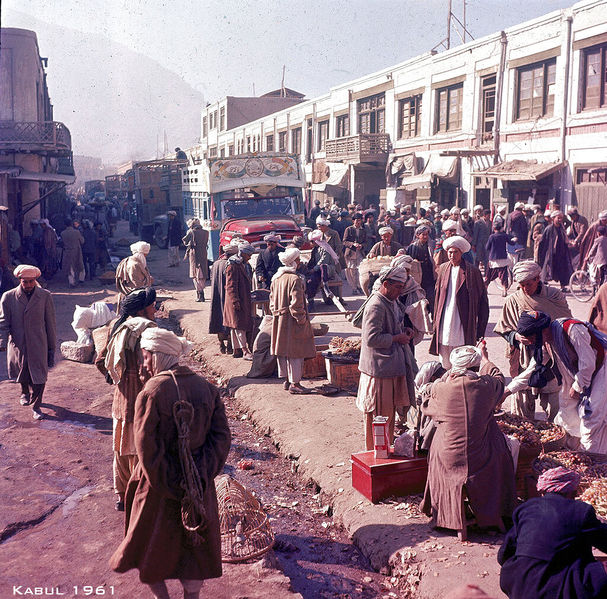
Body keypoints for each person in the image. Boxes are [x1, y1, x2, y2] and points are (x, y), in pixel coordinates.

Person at [109, 327, 231, 599]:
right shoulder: (207, 389)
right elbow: (221, 438)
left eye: (145, 357)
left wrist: (172, 484)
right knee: (194, 547)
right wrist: (198, 474)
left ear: (157, 356)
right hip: (198, 485)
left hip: (157, 490)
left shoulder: (152, 392)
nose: (143, 364)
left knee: (150, 548)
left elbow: (147, 450)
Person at [421, 345, 516, 537]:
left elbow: (426, 403)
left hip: (448, 459)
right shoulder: (487, 386)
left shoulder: (440, 388)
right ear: (476, 367)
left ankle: (445, 512)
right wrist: (487, 358)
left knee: (439, 438)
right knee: (500, 444)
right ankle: (495, 511)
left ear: (453, 368)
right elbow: (499, 377)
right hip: (482, 459)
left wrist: (445, 378)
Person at [498, 466, 607, 599]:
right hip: (552, 590)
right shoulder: (581, 511)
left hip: (516, 584)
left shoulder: (525, 508)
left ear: (543, 491)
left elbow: (503, 555)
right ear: (571, 492)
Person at [96, 287, 157, 511]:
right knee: (139, 448)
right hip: (140, 397)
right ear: (142, 309)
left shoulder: (118, 327)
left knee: (121, 449)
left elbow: (100, 361)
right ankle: (137, 495)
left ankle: (121, 495)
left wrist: (117, 377)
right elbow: (151, 368)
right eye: (152, 305)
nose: (155, 308)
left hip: (120, 400)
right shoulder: (146, 330)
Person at [517, 311, 607, 454]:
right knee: (567, 414)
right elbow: (532, 370)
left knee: (591, 417)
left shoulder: (573, 330)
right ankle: (576, 450)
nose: (533, 343)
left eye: (533, 338)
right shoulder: (547, 342)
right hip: (580, 375)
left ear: (542, 330)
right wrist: (508, 391)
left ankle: (590, 458)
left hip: (601, 370)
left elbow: (588, 364)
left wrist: (577, 387)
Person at [494, 261, 571, 420]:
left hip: (551, 354)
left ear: (538, 278)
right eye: (521, 285)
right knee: (522, 406)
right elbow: (504, 328)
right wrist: (515, 336)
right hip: (522, 356)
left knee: (555, 405)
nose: (525, 288)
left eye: (529, 284)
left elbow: (565, 323)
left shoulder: (554, 296)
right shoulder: (513, 300)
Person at [356, 265, 415, 449]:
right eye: (398, 287)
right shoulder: (376, 305)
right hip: (379, 372)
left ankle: (384, 451)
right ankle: (376, 454)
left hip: (389, 368)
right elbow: (372, 338)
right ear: (386, 283)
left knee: (388, 416)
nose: (400, 292)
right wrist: (397, 338)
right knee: (379, 417)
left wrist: (402, 330)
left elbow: (388, 327)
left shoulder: (390, 301)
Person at [0, 265, 56, 420]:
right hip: (18, 343)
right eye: (26, 282)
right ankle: (24, 391)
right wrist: (2, 341)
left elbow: (50, 323)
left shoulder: (45, 296)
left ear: (35, 280)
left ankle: (37, 406)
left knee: (39, 376)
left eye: (32, 281)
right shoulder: (8, 297)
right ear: (20, 280)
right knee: (22, 371)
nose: (29, 285)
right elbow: (3, 322)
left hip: (39, 343)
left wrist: (51, 347)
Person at [430, 236, 489, 369]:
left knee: (462, 351)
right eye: (450, 252)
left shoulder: (472, 271)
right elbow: (437, 297)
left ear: (461, 253)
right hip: (445, 317)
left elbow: (482, 301)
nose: (452, 255)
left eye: (455, 252)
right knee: (444, 349)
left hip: (462, 318)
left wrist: (481, 329)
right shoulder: (443, 269)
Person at [269, 247, 316, 394]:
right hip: (292, 321)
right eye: (298, 259)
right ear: (293, 262)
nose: (300, 261)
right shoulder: (295, 279)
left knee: (284, 351)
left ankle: (287, 380)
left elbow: (271, 302)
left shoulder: (276, 277)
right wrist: (301, 320)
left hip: (279, 319)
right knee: (296, 352)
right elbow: (296, 305)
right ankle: (295, 383)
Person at [223, 242, 255, 360]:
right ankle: (245, 350)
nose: (250, 257)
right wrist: (235, 301)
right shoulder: (233, 265)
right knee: (239, 325)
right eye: (248, 255)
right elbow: (231, 285)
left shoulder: (240, 263)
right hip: (236, 301)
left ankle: (237, 350)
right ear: (243, 253)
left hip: (239, 299)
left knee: (235, 325)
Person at [208, 244, 238, 354]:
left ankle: (221, 344)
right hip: (228, 296)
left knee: (218, 318)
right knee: (229, 318)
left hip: (217, 295)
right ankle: (230, 344)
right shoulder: (231, 264)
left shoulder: (216, 264)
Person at [538, 211, 574, 291]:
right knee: (546, 269)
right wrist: (542, 254)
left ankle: (563, 286)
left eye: (561, 218)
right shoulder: (549, 229)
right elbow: (543, 242)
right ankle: (541, 285)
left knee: (562, 269)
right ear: (553, 218)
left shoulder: (561, 228)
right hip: (551, 253)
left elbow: (564, 238)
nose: (560, 219)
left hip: (561, 252)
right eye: (558, 218)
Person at [406, 225, 436, 312]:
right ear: (417, 235)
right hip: (418, 277)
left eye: (427, 234)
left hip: (429, 275)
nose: (425, 236)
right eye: (423, 234)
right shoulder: (413, 247)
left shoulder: (431, 245)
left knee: (431, 296)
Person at [485, 223, 516, 295]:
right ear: (501, 228)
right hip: (503, 258)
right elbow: (512, 243)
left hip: (493, 259)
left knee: (488, 275)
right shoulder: (504, 236)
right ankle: (504, 290)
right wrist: (515, 240)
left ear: (494, 228)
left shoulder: (491, 237)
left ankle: (485, 288)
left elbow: (487, 247)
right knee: (503, 275)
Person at [182, 218, 209, 302]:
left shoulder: (191, 232)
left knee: (195, 274)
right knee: (202, 273)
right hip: (204, 253)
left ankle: (200, 293)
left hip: (194, 254)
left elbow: (185, 241)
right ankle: (201, 293)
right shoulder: (206, 232)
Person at [342, 213, 366, 294]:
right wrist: (352, 244)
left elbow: (366, 243)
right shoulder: (349, 229)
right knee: (351, 271)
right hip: (351, 253)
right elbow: (344, 242)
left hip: (360, 253)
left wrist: (361, 246)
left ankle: (359, 286)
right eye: (357, 220)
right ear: (353, 221)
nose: (358, 222)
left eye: (360, 220)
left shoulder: (363, 230)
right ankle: (354, 288)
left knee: (360, 270)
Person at [61, 218, 85, 287]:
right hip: (77, 251)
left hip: (68, 252)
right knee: (80, 266)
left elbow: (62, 243)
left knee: (70, 268)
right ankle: (81, 280)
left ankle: (71, 282)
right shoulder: (77, 232)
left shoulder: (63, 233)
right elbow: (82, 241)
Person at [472, 209, 491, 273]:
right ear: (485, 215)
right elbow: (475, 234)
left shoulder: (490, 222)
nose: (489, 217)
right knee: (477, 259)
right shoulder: (478, 223)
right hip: (479, 244)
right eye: (488, 215)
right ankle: (475, 272)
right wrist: (474, 244)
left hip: (487, 244)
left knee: (486, 259)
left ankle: (486, 273)